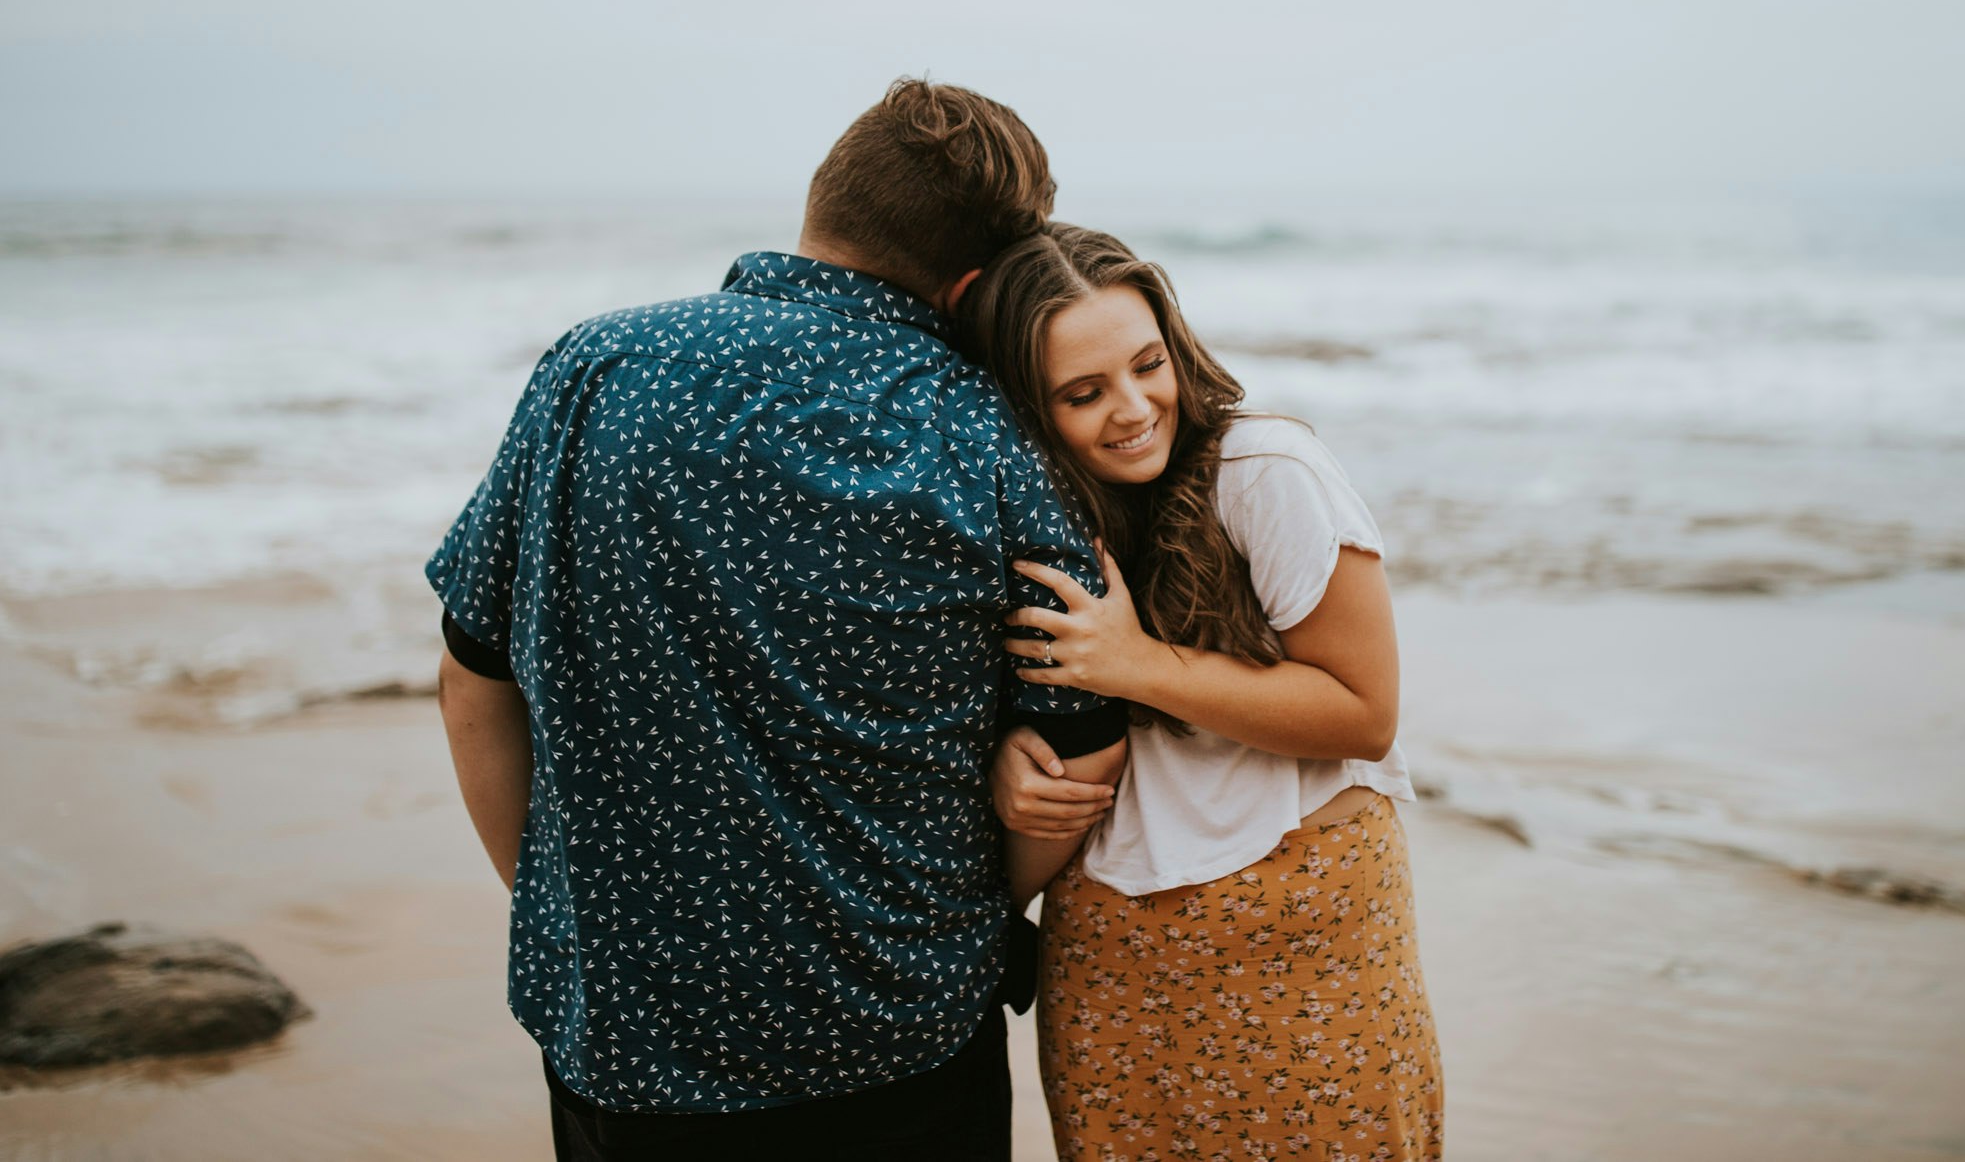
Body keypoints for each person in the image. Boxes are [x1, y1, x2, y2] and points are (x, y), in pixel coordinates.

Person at [429, 79, 1130, 1162]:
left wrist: (566, 917)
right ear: (977, 284)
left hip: (625, 1046)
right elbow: (1079, 759)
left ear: (823, 203)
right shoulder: (992, 435)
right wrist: (978, 906)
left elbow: (471, 675)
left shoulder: (594, 367)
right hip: (897, 1045)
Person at [962, 225, 1444, 1159]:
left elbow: (1365, 712)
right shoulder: (1024, 508)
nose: (1136, 408)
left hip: (1298, 929)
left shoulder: (1265, 470)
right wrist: (1011, 767)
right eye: (1083, 392)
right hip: (1110, 941)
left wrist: (1135, 664)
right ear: (1028, 405)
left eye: (1149, 364)